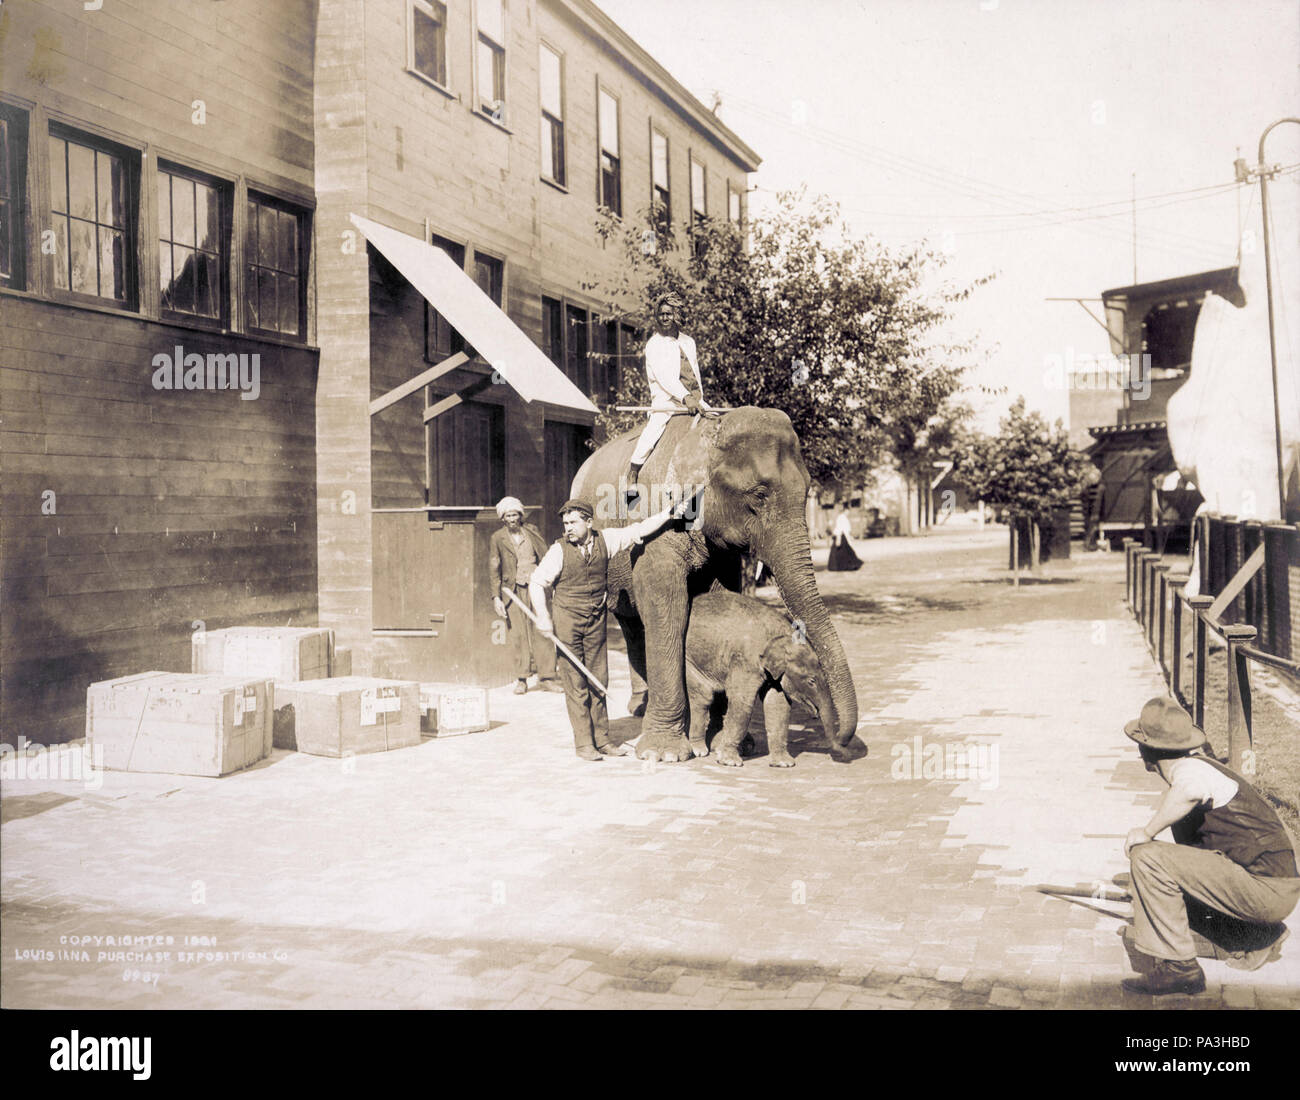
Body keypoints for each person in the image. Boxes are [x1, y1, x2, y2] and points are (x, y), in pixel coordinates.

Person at [1120, 696, 1300, 995]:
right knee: (1158, 887)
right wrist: (1144, 891)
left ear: (1146, 752)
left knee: (1147, 857)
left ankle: (1180, 969)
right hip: (1274, 889)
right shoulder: (1199, 766)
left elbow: (1190, 790)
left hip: (1266, 892)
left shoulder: (1190, 772)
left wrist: (1147, 832)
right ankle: (1258, 936)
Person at [529, 496, 688, 761]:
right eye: (565, 523)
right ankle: (584, 744)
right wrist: (543, 617)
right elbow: (536, 582)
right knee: (576, 683)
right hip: (567, 621)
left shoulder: (607, 539)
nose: (568, 528)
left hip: (595, 620)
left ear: (589, 522)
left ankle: (602, 740)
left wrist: (669, 514)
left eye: (573, 523)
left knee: (598, 680)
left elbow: (638, 530)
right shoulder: (558, 551)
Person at [625, 293, 718, 506]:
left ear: (676, 314)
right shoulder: (654, 344)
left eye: (669, 313)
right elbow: (664, 377)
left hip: (693, 399)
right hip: (666, 400)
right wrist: (685, 398)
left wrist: (699, 399)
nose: (665, 318)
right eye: (661, 314)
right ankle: (633, 471)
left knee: (715, 423)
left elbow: (694, 372)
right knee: (654, 429)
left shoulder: (688, 341)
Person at [488, 497, 563, 695]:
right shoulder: (497, 537)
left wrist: (551, 582)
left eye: (515, 515)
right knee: (518, 636)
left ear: (520, 516)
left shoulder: (532, 531)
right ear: (503, 518)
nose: (512, 519)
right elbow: (494, 567)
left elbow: (544, 555)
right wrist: (496, 597)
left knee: (542, 630)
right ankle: (521, 679)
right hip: (512, 591)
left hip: (536, 588)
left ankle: (547, 677)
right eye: (508, 516)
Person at [827, 504, 863, 572]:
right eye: (848, 511)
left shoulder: (843, 517)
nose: (848, 513)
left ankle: (842, 566)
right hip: (841, 536)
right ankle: (840, 566)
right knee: (842, 552)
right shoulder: (841, 517)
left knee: (845, 552)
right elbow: (840, 528)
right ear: (845, 511)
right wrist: (839, 538)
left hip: (842, 536)